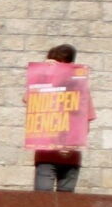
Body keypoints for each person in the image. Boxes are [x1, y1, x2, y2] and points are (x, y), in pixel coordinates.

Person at [32, 43, 84, 192]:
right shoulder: (44, 86)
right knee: (42, 201)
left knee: (66, 204)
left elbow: (84, 121)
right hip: (46, 155)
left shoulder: (79, 87)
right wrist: (42, 71)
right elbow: (28, 99)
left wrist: (71, 145)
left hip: (70, 156)